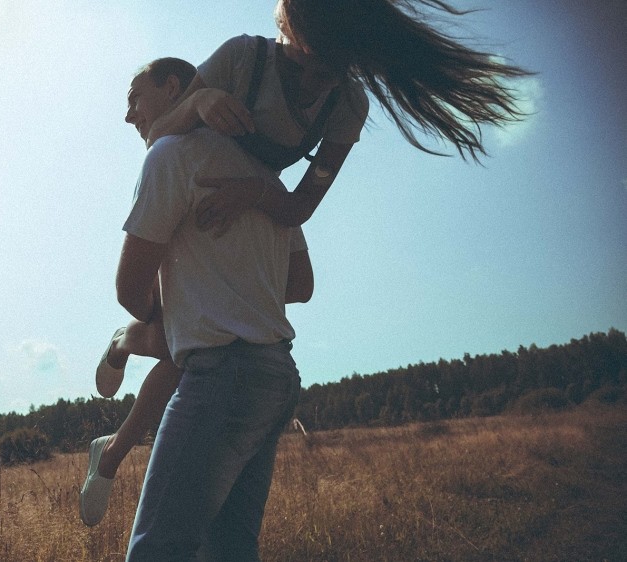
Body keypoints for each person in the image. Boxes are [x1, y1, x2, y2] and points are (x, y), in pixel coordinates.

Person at [83, 0, 531, 529]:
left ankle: (119, 392)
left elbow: (300, 206)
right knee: (184, 342)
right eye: (303, 63)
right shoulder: (241, 59)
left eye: (331, 71)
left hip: (263, 201)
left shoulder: (348, 104)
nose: (314, 83)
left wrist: (251, 195)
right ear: (289, 35)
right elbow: (162, 138)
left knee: (194, 338)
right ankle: (122, 364)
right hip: (197, 197)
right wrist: (200, 100)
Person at [79, 58, 314, 535]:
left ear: (172, 87)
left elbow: (129, 290)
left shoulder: (172, 155)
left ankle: (124, 349)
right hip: (277, 374)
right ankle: (113, 440)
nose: (128, 115)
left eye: (134, 98)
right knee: (229, 547)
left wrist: (210, 301)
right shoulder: (266, 176)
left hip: (224, 373)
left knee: (161, 548)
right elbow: (301, 285)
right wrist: (237, 293)